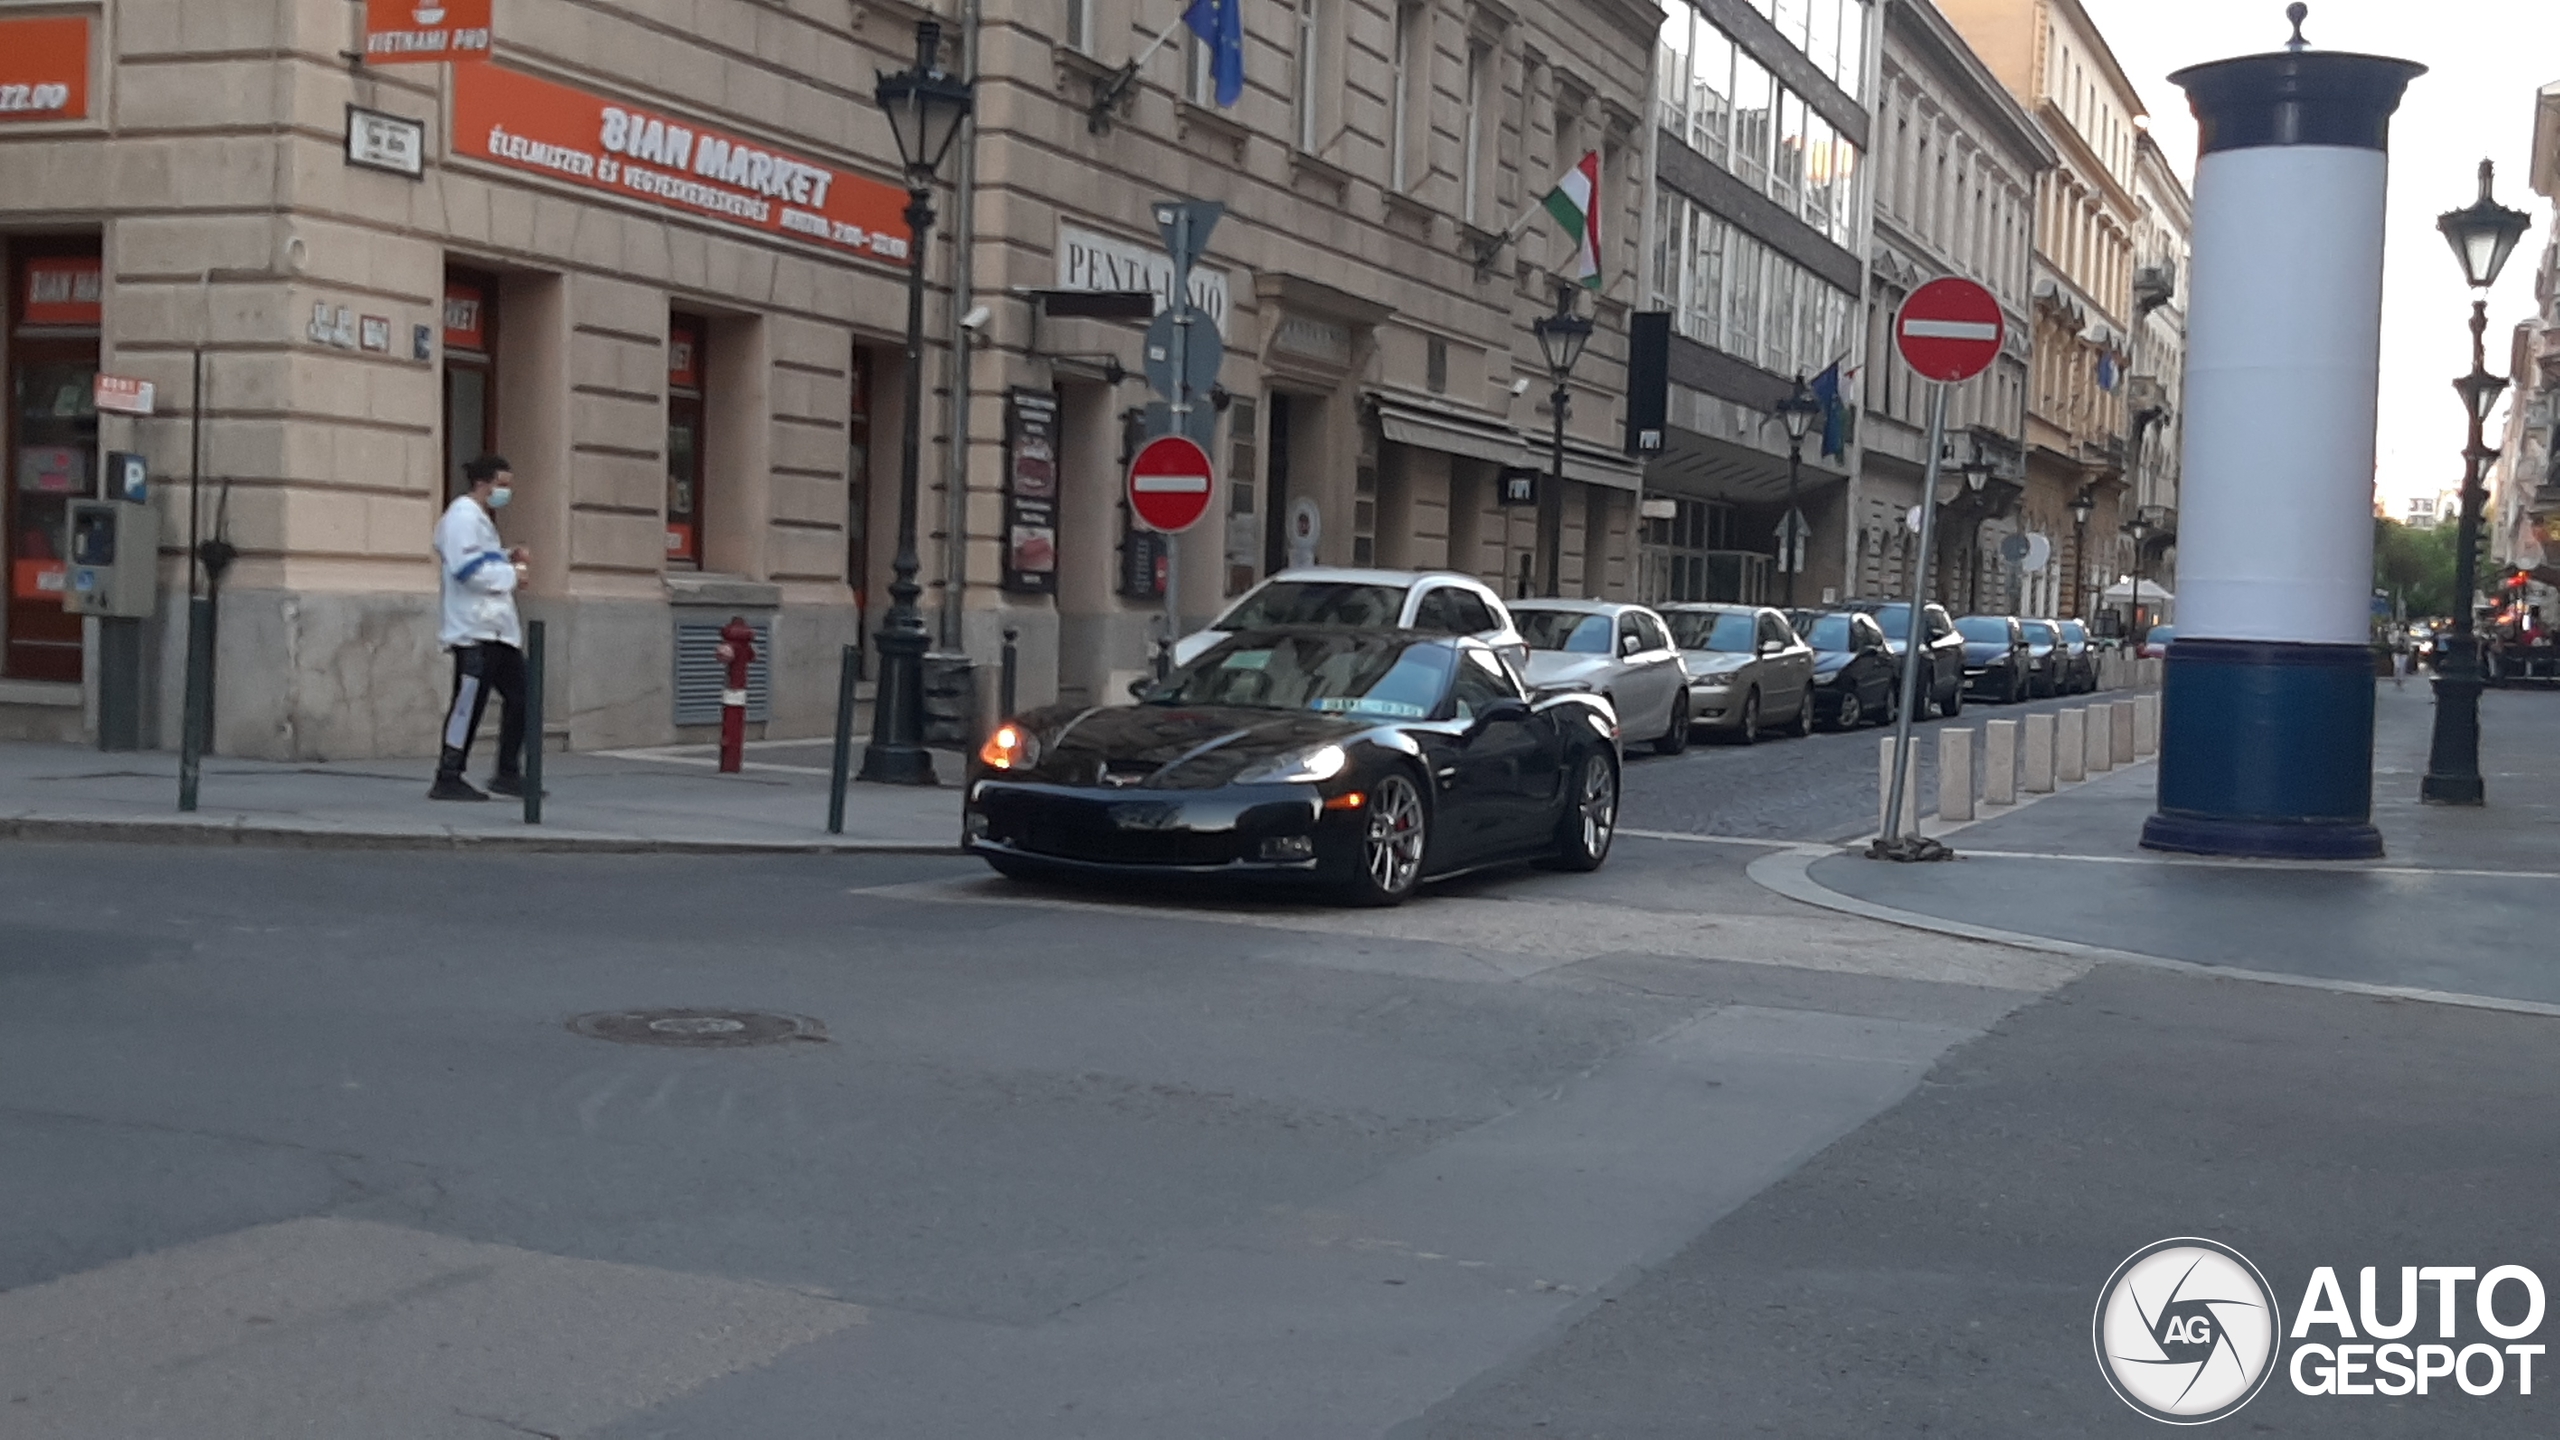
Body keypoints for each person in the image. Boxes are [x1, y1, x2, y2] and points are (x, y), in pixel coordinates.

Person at [430, 456, 530, 801]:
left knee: (523, 698)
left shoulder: (480, 520)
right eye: (501, 484)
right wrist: (512, 575)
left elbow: (482, 559)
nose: (505, 492)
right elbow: (467, 569)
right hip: (473, 631)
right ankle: (448, 774)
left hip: (497, 630)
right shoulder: (461, 518)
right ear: (482, 483)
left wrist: (506, 555)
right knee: (468, 704)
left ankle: (507, 772)